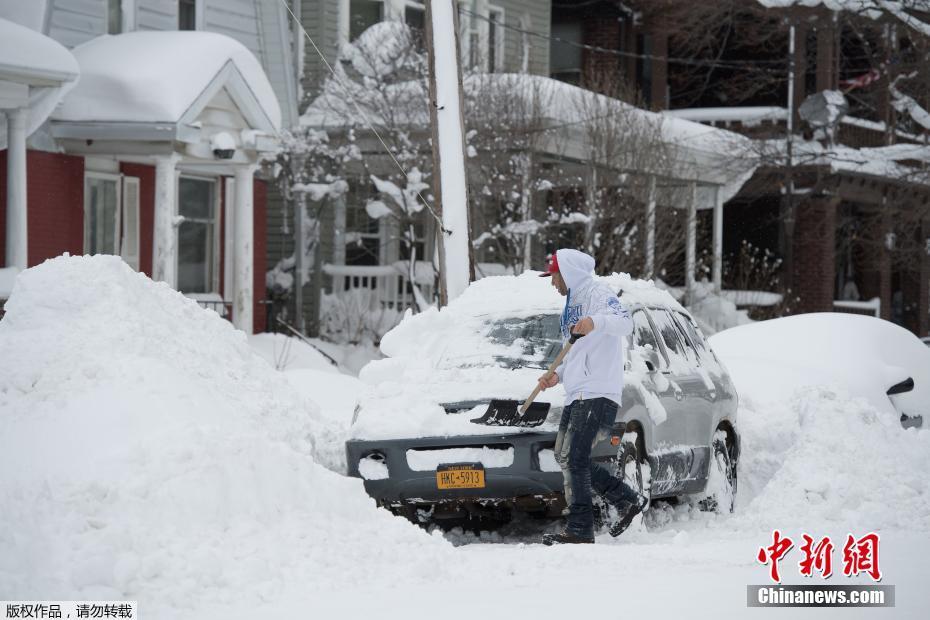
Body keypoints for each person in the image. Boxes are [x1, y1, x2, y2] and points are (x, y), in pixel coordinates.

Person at [537, 248, 648, 545]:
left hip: (598, 391)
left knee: (576, 457)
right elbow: (576, 352)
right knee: (565, 456)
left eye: (554, 276)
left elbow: (626, 322)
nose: (553, 283)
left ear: (568, 272)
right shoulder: (572, 304)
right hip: (577, 392)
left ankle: (581, 528)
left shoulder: (598, 293)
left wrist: (595, 321)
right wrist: (558, 376)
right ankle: (625, 500)